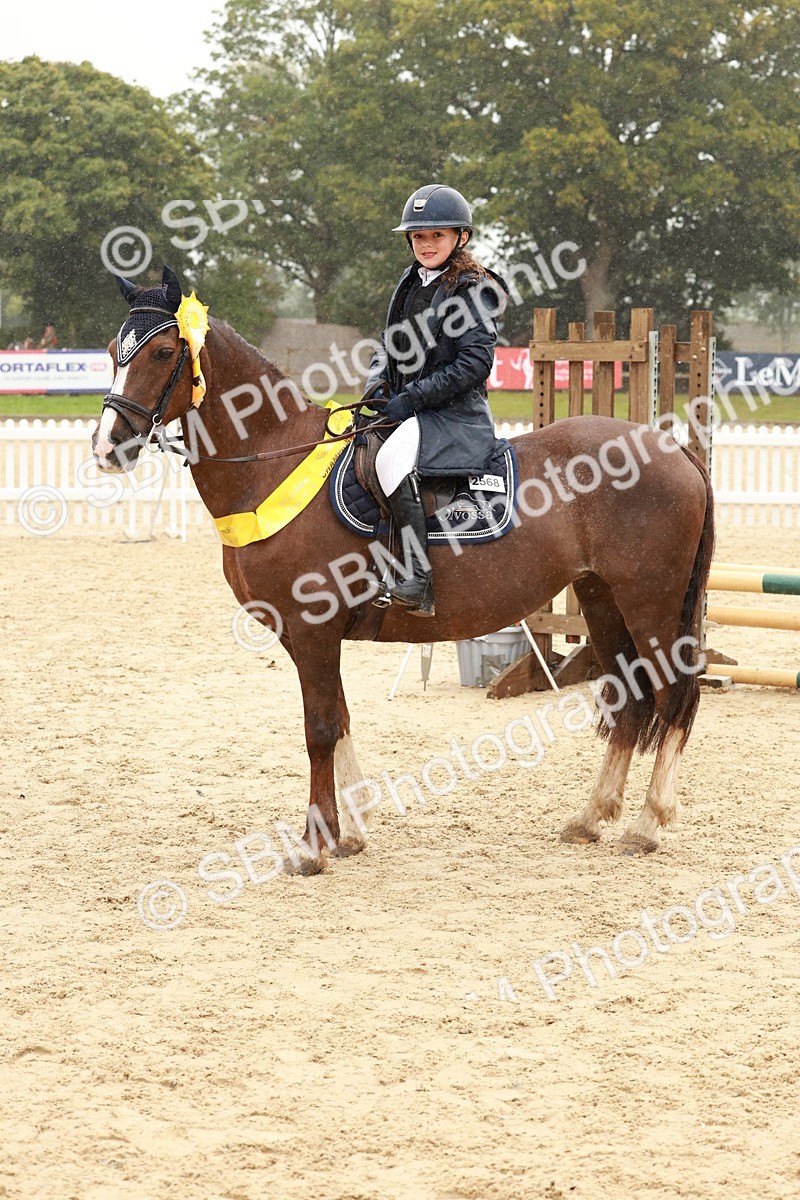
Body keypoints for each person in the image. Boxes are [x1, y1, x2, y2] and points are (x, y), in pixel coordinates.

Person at [366, 184, 508, 616]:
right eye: (418, 237)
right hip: (414, 407)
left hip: (453, 414)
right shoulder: (411, 282)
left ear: (460, 238)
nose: (426, 245)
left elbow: (473, 366)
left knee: (390, 462)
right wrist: (377, 385)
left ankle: (418, 578)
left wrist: (410, 399)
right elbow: (391, 345)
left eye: (437, 236)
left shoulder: (474, 289)